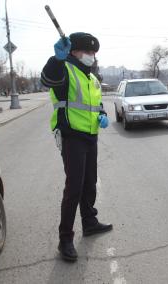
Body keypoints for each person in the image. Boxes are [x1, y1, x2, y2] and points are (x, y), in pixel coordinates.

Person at [41, 32, 113, 262]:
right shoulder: (65, 70)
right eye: (88, 52)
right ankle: (65, 239)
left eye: (94, 53)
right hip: (72, 136)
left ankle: (89, 222)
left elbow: (96, 103)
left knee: (89, 182)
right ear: (74, 52)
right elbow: (48, 79)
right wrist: (56, 59)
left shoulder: (91, 77)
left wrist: (102, 114)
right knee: (74, 188)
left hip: (90, 136)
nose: (92, 56)